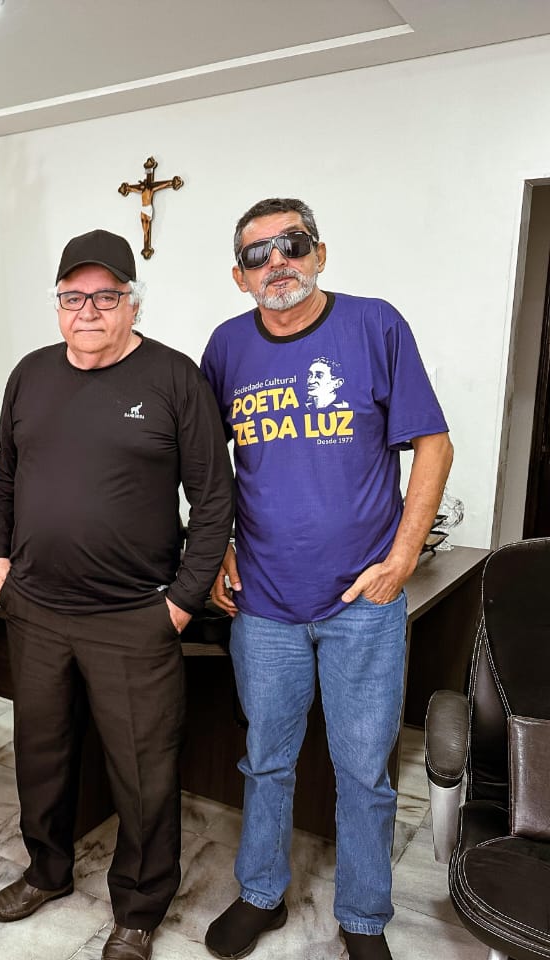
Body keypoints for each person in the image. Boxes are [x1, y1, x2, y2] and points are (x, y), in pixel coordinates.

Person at [199, 198, 452, 960]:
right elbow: (206, 465)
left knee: (364, 772)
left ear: (319, 252)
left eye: (292, 244)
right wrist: (217, 549)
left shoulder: (375, 326)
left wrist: (401, 559)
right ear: (239, 276)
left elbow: (433, 445)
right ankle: (261, 894)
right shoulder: (226, 347)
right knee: (265, 761)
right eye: (257, 254)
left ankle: (364, 918)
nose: (277, 262)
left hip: (361, 605)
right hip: (264, 604)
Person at [0, 229, 234, 960]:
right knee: (41, 755)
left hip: (133, 616)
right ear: (58, 303)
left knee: (144, 774)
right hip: (36, 609)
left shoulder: (175, 378)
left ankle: (139, 907)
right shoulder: (31, 374)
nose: (87, 311)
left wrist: (181, 600)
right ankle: (47, 869)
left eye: (105, 296)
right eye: (73, 297)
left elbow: (212, 500)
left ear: (132, 302)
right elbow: (5, 477)